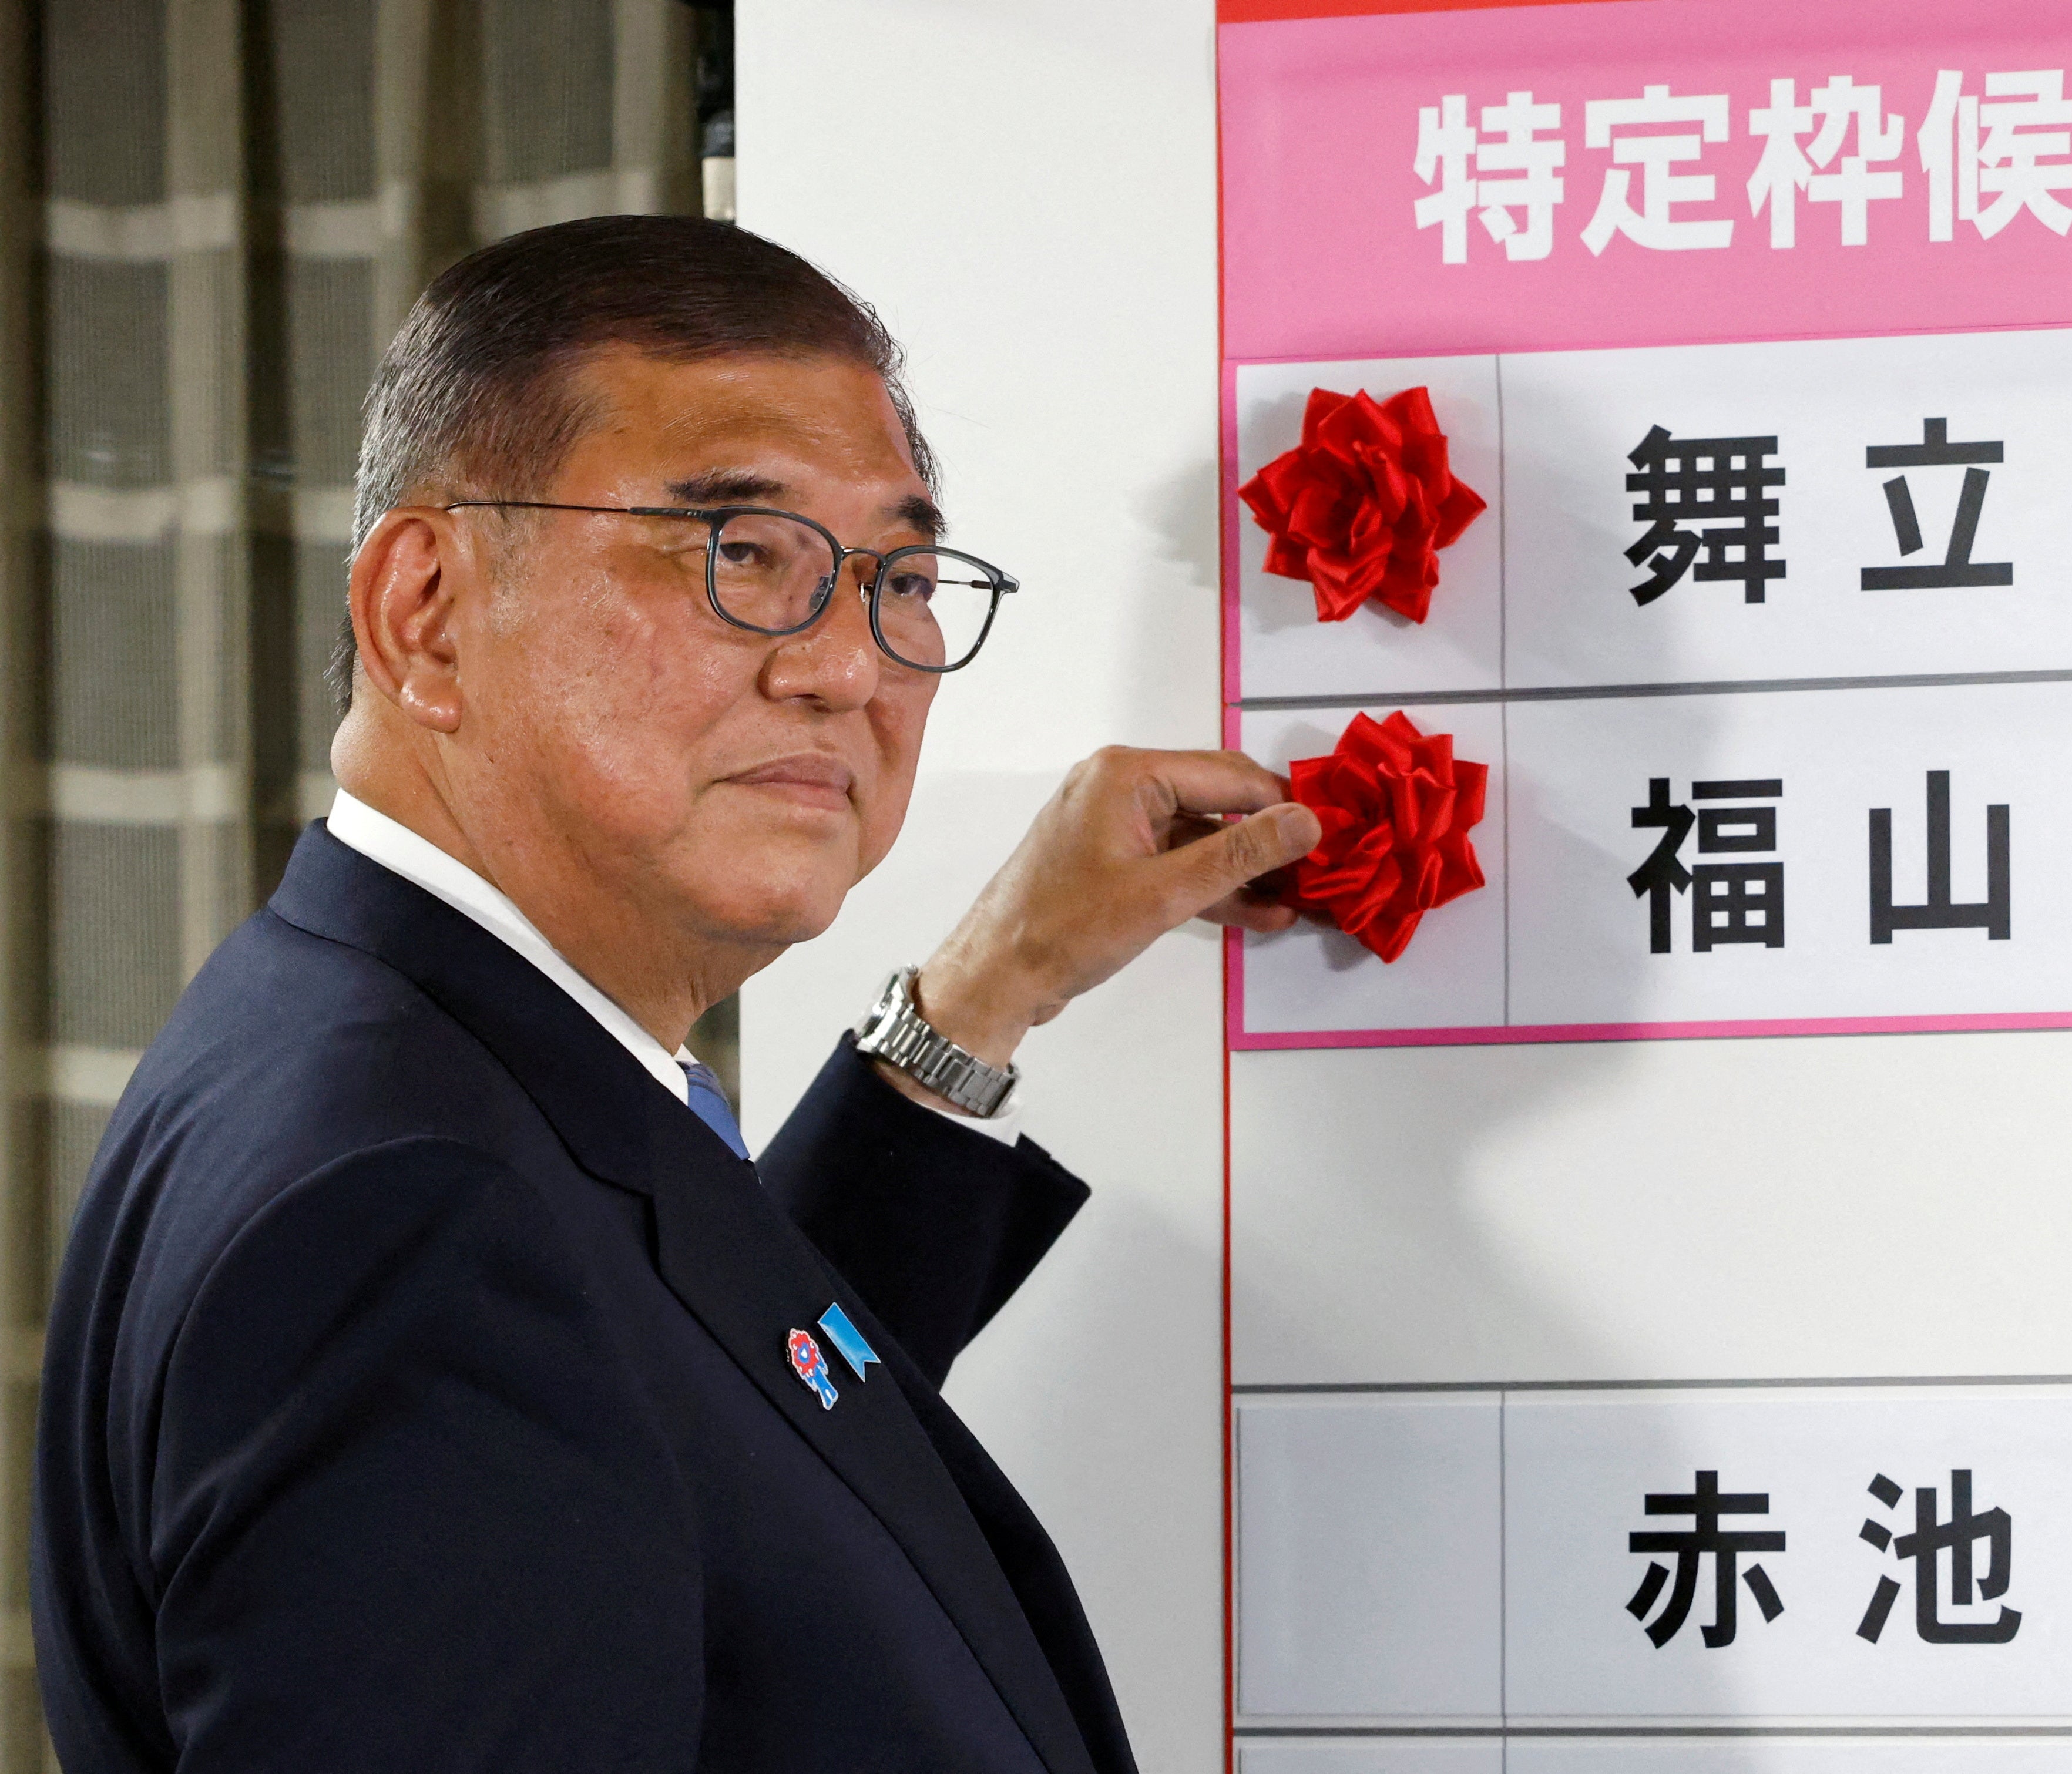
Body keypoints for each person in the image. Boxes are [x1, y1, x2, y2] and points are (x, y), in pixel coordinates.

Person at [31, 214, 1321, 1772]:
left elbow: (707, 1453)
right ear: (424, 611)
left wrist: (990, 987)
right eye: (744, 553)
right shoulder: (412, 1221)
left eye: (898, 575)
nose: (849, 666)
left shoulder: (398, 1035)